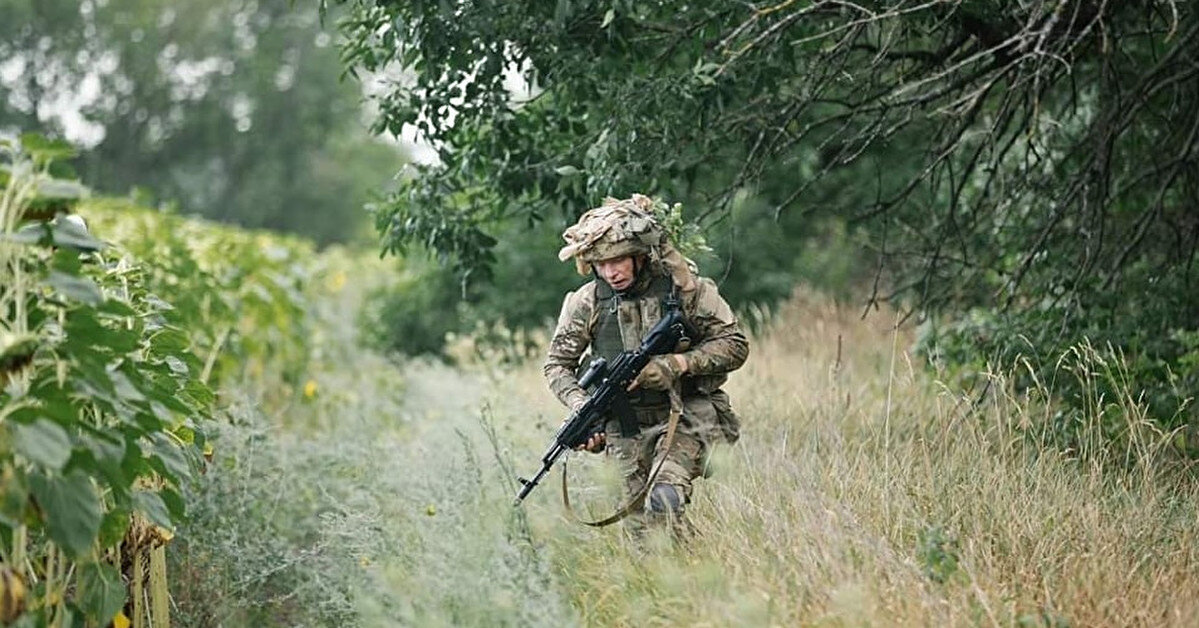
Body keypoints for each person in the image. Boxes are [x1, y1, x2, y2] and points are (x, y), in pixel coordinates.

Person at [544, 194, 749, 536]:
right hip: (625, 428)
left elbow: (735, 345)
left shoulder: (683, 289)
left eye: (619, 260)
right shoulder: (587, 302)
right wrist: (584, 409)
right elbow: (557, 365)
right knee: (641, 533)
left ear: (639, 255)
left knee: (665, 495)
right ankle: (689, 579)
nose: (611, 271)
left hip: (686, 414)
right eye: (601, 263)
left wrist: (676, 364)